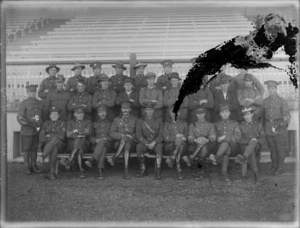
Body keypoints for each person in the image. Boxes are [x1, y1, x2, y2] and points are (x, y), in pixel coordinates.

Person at [261, 80, 291, 175]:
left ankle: (280, 167)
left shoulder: (282, 101)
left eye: (273, 88)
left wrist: (281, 124)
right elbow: (262, 116)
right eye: (269, 88)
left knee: (280, 148)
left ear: (276, 89)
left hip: (279, 128)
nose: (271, 90)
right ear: (268, 89)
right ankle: (274, 166)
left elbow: (287, 116)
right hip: (268, 127)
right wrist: (262, 128)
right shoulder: (264, 101)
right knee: (272, 148)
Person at [210, 104, 241, 182]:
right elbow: (213, 135)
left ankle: (216, 157)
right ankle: (224, 174)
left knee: (227, 143)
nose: (225, 114)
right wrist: (217, 138)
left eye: (226, 112)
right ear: (220, 114)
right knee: (227, 150)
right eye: (222, 112)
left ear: (229, 113)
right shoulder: (216, 124)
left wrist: (225, 137)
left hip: (234, 147)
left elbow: (237, 136)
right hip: (221, 147)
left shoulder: (234, 123)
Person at [17, 84, 44, 174]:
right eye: (30, 92)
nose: (32, 94)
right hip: (27, 130)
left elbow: (42, 116)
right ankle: (27, 166)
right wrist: (23, 122)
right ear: (27, 93)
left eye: (34, 92)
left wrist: (40, 125)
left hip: (36, 130)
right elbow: (20, 116)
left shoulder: (40, 103)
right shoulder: (24, 103)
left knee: (34, 148)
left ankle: (34, 165)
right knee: (26, 149)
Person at [61, 105, 92, 178]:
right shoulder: (70, 122)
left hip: (85, 144)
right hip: (71, 144)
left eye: (82, 114)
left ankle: (70, 160)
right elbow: (68, 134)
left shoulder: (88, 122)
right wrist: (78, 135)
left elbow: (87, 133)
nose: (80, 115)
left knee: (79, 143)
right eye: (78, 114)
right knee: (79, 147)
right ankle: (81, 170)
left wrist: (74, 132)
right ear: (74, 114)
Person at [109, 101, 137, 179]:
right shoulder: (116, 120)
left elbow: (138, 133)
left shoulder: (135, 119)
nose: (125, 110)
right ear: (121, 109)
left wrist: (130, 136)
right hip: (119, 143)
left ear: (130, 109)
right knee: (125, 142)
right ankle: (126, 170)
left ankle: (115, 157)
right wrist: (121, 135)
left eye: (127, 108)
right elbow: (111, 133)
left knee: (127, 141)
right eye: (123, 108)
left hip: (132, 143)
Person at [186, 107, 216, 179]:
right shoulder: (192, 125)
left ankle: (193, 159)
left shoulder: (210, 124)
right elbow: (190, 137)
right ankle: (201, 171)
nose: (200, 115)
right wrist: (196, 140)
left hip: (208, 144)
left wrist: (206, 140)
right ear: (196, 115)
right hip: (195, 145)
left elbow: (213, 137)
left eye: (202, 113)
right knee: (203, 148)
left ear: (205, 114)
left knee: (204, 147)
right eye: (198, 114)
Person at [136, 102, 164, 179]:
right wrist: (147, 143)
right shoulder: (140, 121)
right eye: (148, 109)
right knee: (139, 147)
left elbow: (161, 135)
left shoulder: (159, 121)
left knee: (159, 147)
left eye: (151, 110)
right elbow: (138, 135)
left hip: (155, 143)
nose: (149, 111)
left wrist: (154, 142)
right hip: (145, 142)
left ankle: (158, 170)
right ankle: (142, 169)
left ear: (154, 110)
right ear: (145, 110)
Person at [85, 105, 112, 180]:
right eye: (100, 112)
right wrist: (95, 140)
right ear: (98, 114)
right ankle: (100, 170)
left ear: (106, 113)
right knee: (102, 149)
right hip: (96, 146)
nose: (102, 114)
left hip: (108, 144)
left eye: (104, 112)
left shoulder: (110, 123)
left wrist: (106, 139)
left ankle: (92, 159)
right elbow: (89, 137)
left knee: (103, 142)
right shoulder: (93, 124)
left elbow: (113, 136)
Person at [39, 106, 66, 180]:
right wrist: (54, 137)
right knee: (54, 148)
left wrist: (50, 136)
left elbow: (62, 137)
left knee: (54, 140)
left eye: (56, 114)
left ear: (59, 116)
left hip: (60, 145)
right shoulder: (45, 124)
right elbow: (41, 138)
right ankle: (52, 173)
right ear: (49, 116)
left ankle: (43, 156)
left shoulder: (62, 123)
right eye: (52, 114)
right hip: (50, 146)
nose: (54, 116)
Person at [237, 107, 263, 181]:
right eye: (245, 115)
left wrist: (256, 141)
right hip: (244, 147)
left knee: (254, 142)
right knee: (251, 150)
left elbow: (262, 137)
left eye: (248, 114)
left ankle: (244, 157)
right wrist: (249, 142)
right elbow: (239, 139)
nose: (246, 117)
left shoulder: (258, 125)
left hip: (256, 147)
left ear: (252, 114)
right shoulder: (240, 126)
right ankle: (256, 173)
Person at [163, 109, 188, 180]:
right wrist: (176, 137)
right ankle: (179, 170)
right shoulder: (167, 124)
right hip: (170, 146)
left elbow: (186, 136)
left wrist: (182, 137)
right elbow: (166, 138)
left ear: (179, 113)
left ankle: (172, 159)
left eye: (176, 112)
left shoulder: (184, 124)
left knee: (179, 146)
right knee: (179, 145)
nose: (174, 114)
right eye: (172, 113)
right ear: (170, 113)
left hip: (183, 147)